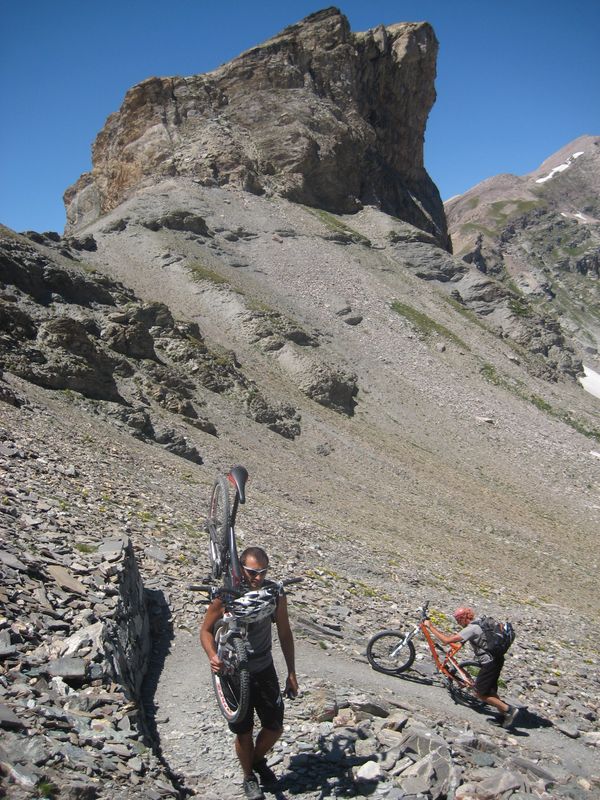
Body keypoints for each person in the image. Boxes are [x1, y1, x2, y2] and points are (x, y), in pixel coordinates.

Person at [200, 546, 298, 800]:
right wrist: (213, 656)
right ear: (240, 568)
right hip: (233, 671)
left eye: (263, 572)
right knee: (243, 730)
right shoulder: (226, 595)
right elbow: (206, 630)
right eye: (252, 572)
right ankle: (249, 778)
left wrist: (291, 672)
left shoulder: (274, 593)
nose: (258, 577)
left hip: (264, 666)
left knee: (274, 726)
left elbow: (285, 632)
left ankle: (256, 760)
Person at [424, 606, 519, 728]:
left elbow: (446, 640)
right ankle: (504, 715)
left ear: (464, 618)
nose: (458, 622)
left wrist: (430, 626)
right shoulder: (480, 622)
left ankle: (509, 710)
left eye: (458, 619)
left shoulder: (472, 628)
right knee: (490, 690)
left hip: (489, 663)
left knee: (480, 693)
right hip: (497, 659)